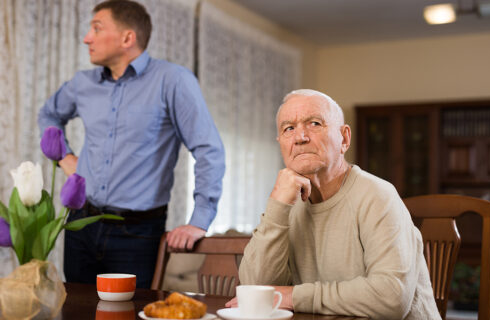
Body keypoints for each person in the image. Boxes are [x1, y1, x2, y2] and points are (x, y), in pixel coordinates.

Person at [37, 0, 225, 288]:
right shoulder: (82, 83)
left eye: (97, 28)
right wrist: (65, 157)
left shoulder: (173, 81)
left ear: (127, 38)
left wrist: (198, 221)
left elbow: (208, 148)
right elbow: (49, 114)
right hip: (79, 224)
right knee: (75, 310)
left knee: (127, 313)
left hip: (137, 234)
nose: (87, 37)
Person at [228, 89, 441, 319]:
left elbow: (392, 298)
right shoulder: (287, 203)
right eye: (289, 128)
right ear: (281, 143)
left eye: (314, 123)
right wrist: (277, 205)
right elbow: (256, 291)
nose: (300, 137)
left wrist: (293, 296)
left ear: (344, 138)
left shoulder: (378, 195)